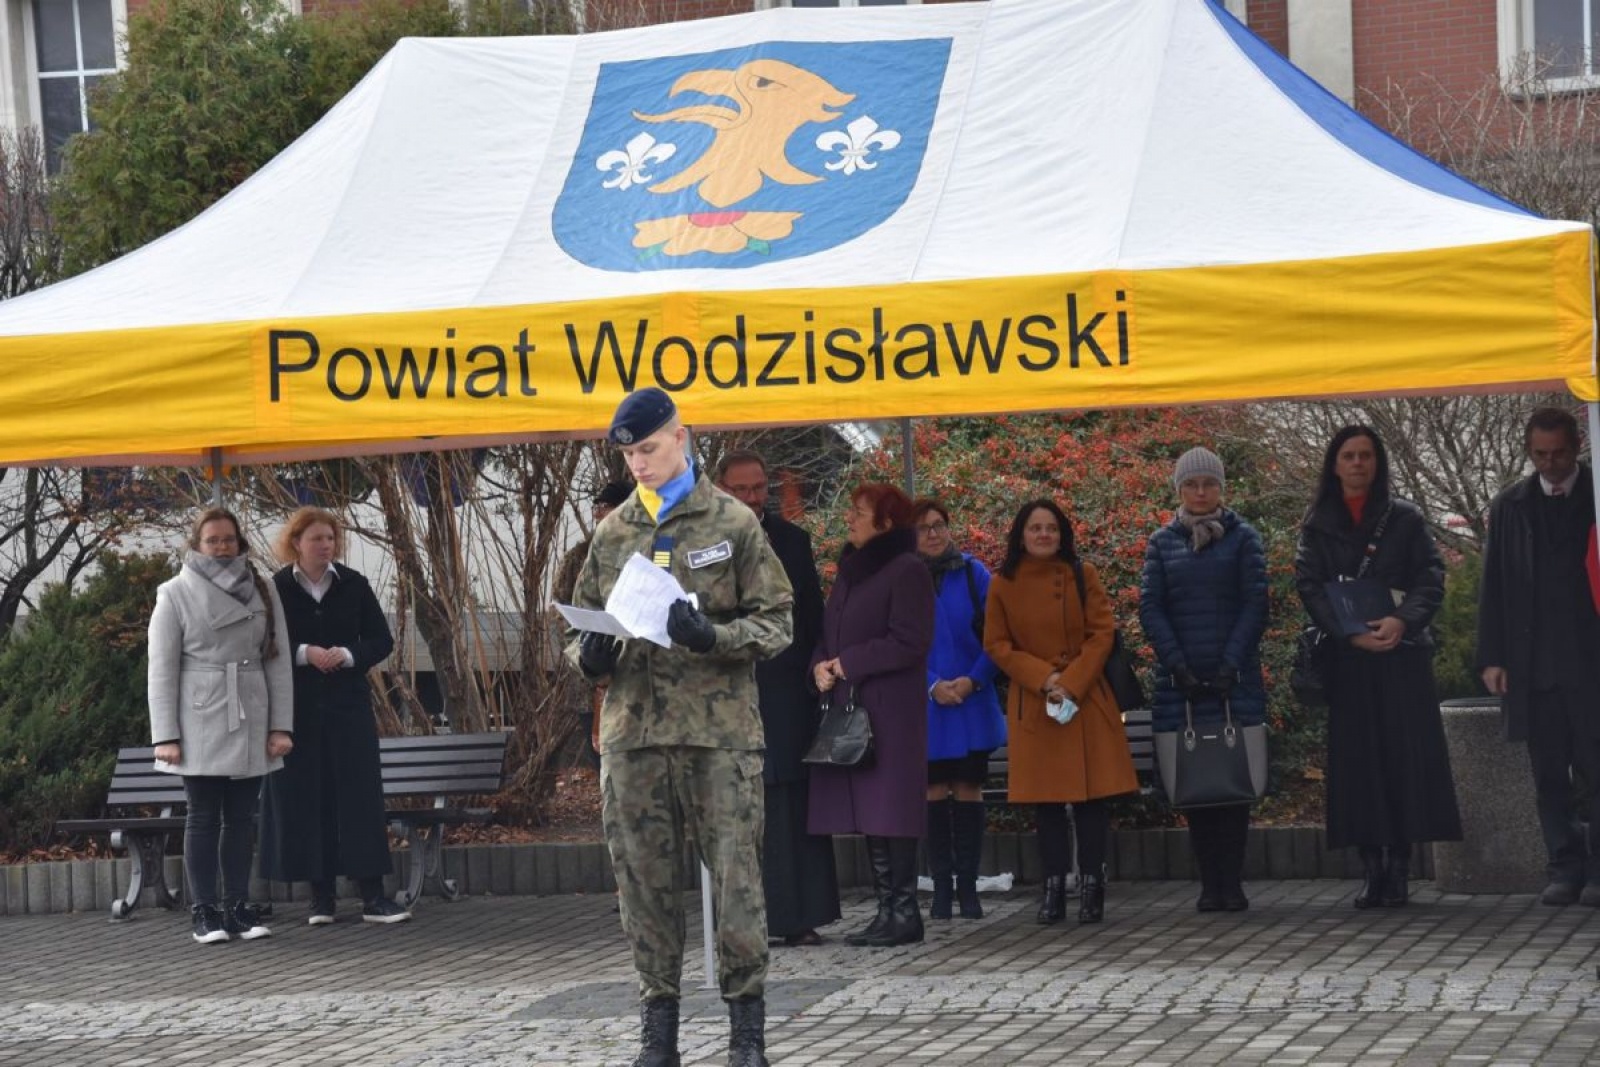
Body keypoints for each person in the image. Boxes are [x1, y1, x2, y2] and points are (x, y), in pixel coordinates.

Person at [565, 388, 794, 1067]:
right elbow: (577, 629)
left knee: (736, 882)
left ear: (681, 438)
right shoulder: (611, 535)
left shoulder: (733, 523)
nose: (639, 463)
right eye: (630, 453)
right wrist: (590, 655)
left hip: (718, 736)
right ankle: (657, 1034)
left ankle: (746, 1035)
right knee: (642, 884)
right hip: (635, 737)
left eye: (649, 448)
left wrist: (713, 635)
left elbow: (779, 623)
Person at [1295, 425, 1461, 909]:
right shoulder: (1317, 522)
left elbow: (1431, 578)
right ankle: (1372, 868)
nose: (1358, 463)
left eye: (1366, 455)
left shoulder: (1405, 518)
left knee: (1403, 760)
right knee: (1360, 765)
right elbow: (1308, 584)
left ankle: (1400, 865)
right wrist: (1351, 633)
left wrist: (1401, 623)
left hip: (1401, 656)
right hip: (1350, 661)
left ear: (1378, 462)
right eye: (1349, 455)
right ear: (1335, 464)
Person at [984, 498, 1138, 925]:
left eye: (1051, 528)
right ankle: (1052, 886)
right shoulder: (1003, 583)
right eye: (1035, 528)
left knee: (1091, 801)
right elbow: (997, 645)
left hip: (1086, 698)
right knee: (1046, 802)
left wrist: (1069, 681)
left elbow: (1102, 632)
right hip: (1036, 702)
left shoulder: (1081, 573)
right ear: (1021, 534)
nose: (1044, 535)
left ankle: (1092, 884)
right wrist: (1044, 679)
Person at [147, 508, 293, 944]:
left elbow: (279, 660)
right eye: (212, 540)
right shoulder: (174, 593)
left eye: (228, 539)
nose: (222, 546)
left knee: (243, 818)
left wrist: (280, 726)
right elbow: (161, 668)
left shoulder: (263, 588)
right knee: (204, 816)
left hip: (250, 708)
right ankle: (204, 910)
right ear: (197, 544)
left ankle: (238, 905)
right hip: (202, 713)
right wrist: (165, 736)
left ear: (239, 541)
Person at [257, 507, 406, 925]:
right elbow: (263, 640)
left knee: (358, 797)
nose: (326, 546)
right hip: (299, 710)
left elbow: (381, 639)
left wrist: (347, 654)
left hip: (348, 707)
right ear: (297, 542)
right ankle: (320, 898)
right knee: (308, 800)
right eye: (317, 539)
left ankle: (373, 895)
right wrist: (305, 654)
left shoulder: (353, 585)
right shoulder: (277, 588)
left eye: (331, 539)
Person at [715, 450, 839, 947]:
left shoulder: (793, 540)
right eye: (741, 489)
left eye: (759, 487)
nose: (752, 497)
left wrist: (813, 673)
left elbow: (812, 616)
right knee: (743, 808)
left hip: (786, 690)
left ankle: (802, 915)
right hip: (729, 687)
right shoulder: (705, 542)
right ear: (721, 489)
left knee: (791, 802)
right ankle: (749, 920)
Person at [1477, 406, 1600, 907]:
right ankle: (1563, 867)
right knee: (1548, 774)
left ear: (1577, 448)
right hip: (1535, 665)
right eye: (1539, 455)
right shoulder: (1512, 504)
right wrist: (1492, 657)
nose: (1550, 464)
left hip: (1591, 663)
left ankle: (1598, 872)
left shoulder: (1596, 493)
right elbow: (1495, 585)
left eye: (1559, 454)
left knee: (1596, 770)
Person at [1139, 448, 1268, 912]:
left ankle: (1231, 882)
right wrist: (1178, 666)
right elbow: (1151, 607)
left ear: (1221, 489)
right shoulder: (1161, 542)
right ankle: (1208, 883)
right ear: (1178, 490)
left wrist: (1231, 664)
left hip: (1235, 681)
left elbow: (1256, 602)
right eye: (1191, 485)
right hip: (1181, 684)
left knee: (1234, 784)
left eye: (1207, 484)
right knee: (1194, 785)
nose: (1199, 492)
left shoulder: (1244, 538)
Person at [809, 483, 935, 947]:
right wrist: (820, 664)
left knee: (892, 810)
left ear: (885, 522)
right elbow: (830, 632)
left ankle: (903, 911)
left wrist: (850, 663)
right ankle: (889, 911)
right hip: (854, 706)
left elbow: (911, 640)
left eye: (860, 513)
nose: (851, 519)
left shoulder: (907, 571)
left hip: (891, 712)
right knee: (873, 811)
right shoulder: (851, 571)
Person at [912, 498, 1005, 920]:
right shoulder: (903, 579)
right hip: (926, 705)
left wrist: (972, 679)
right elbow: (897, 642)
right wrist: (931, 684)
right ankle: (942, 890)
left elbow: (1000, 635)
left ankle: (968, 889)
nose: (933, 534)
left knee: (967, 789)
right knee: (932, 791)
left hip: (971, 700)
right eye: (923, 528)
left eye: (939, 525)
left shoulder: (974, 573)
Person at [552, 480, 634, 755]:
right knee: (600, 760)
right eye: (596, 507)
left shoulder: (647, 551)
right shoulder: (579, 557)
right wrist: (588, 650)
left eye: (606, 507)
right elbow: (561, 611)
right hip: (589, 679)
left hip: (634, 682)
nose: (599, 514)